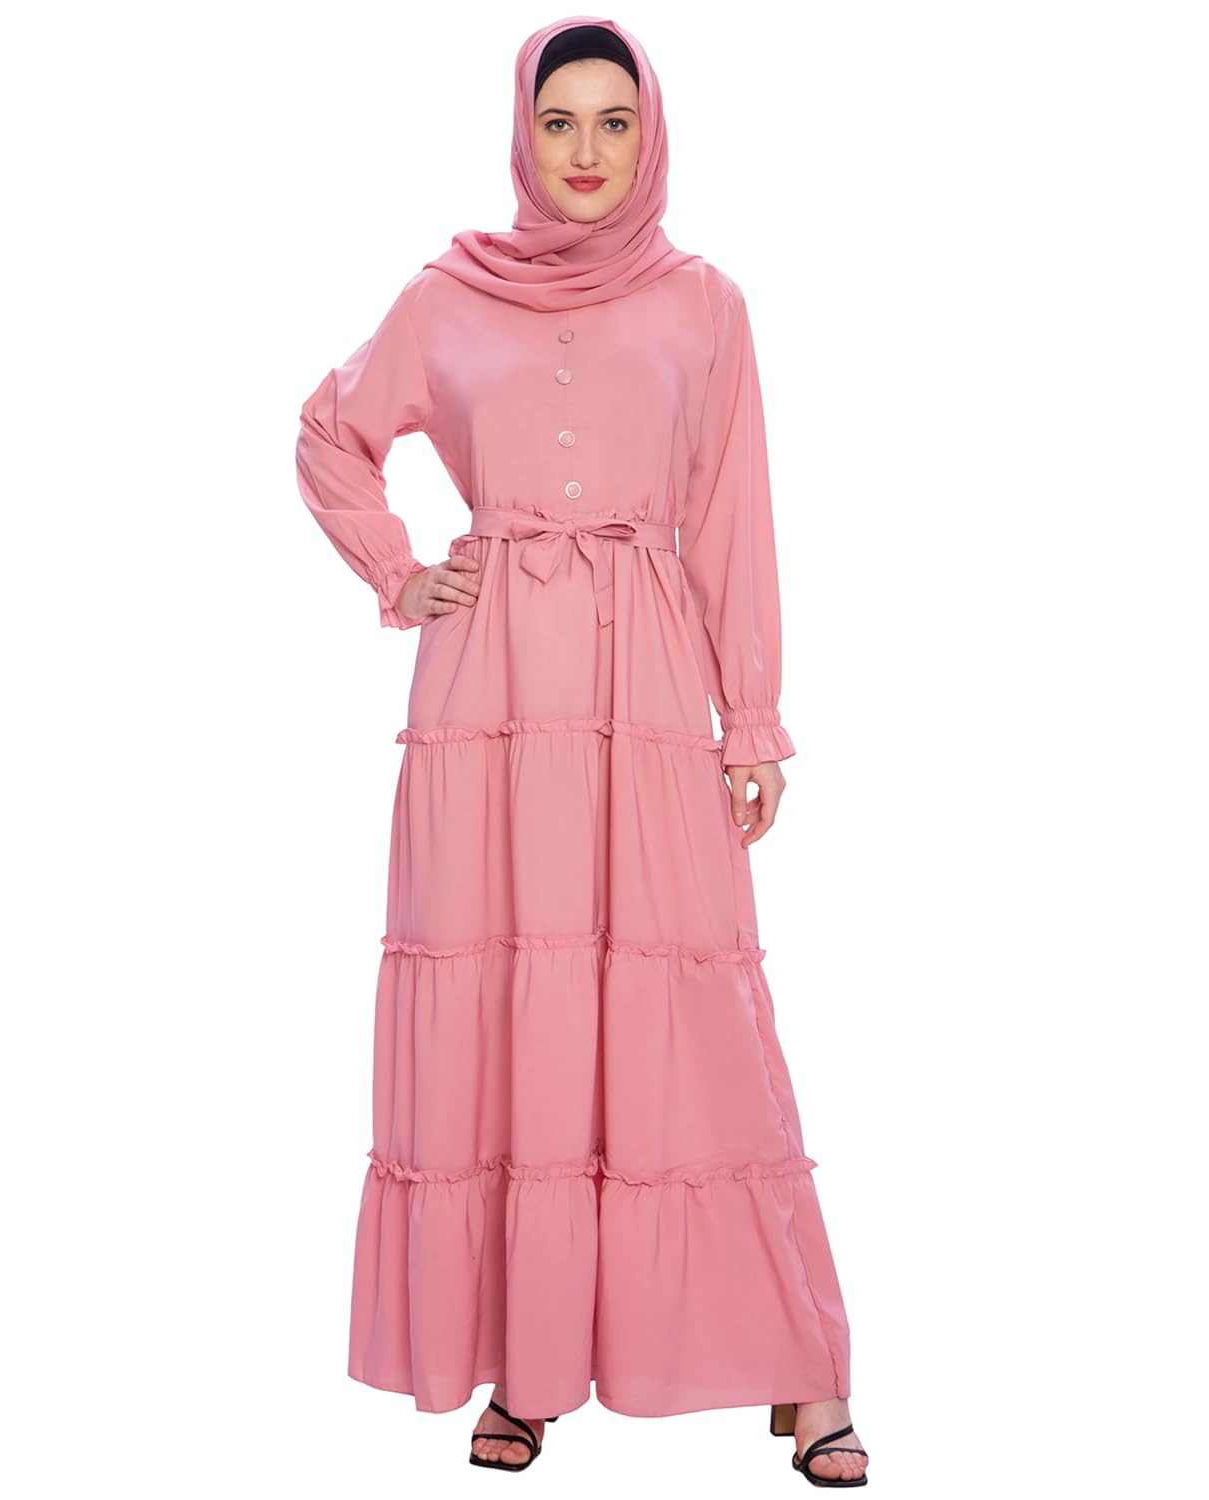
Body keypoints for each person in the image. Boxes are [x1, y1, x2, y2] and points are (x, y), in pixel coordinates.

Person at [294, 14, 869, 1489]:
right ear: (523, 133)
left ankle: (800, 1371)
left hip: (645, 689)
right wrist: (397, 571)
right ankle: (527, 1367)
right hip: (485, 697)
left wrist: (752, 722)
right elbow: (328, 435)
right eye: (561, 123)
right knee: (507, 1010)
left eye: (616, 121)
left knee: (694, 1016)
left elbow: (733, 517)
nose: (588, 151)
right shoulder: (447, 296)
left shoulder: (704, 304)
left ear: (650, 132)